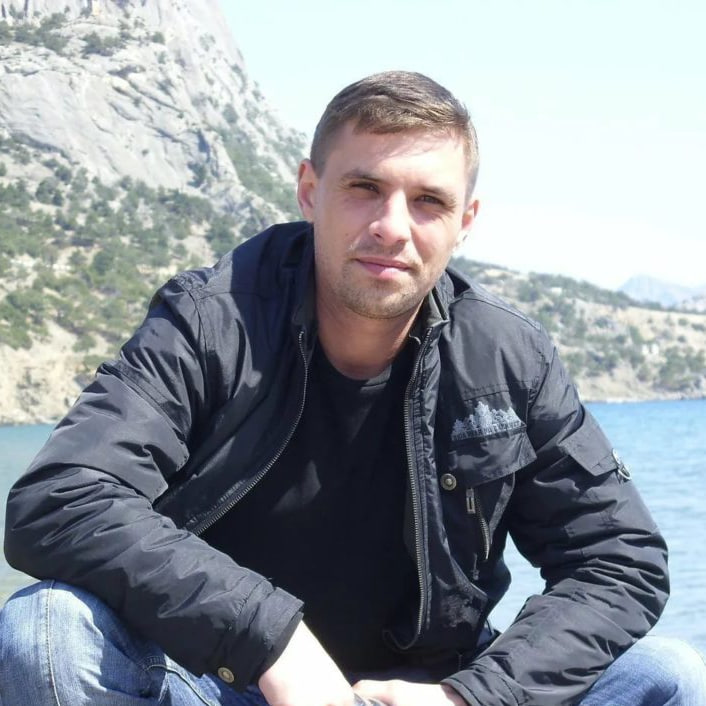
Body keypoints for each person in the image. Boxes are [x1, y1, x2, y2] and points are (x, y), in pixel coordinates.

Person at [0, 71, 704, 706]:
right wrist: (270, 641)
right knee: (47, 631)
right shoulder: (212, 321)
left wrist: (472, 696)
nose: (392, 227)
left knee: (668, 675)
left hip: (429, 690)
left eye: (428, 201)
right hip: (229, 685)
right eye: (365, 188)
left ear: (464, 222)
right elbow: (61, 498)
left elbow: (620, 560)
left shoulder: (507, 357)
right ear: (310, 191)